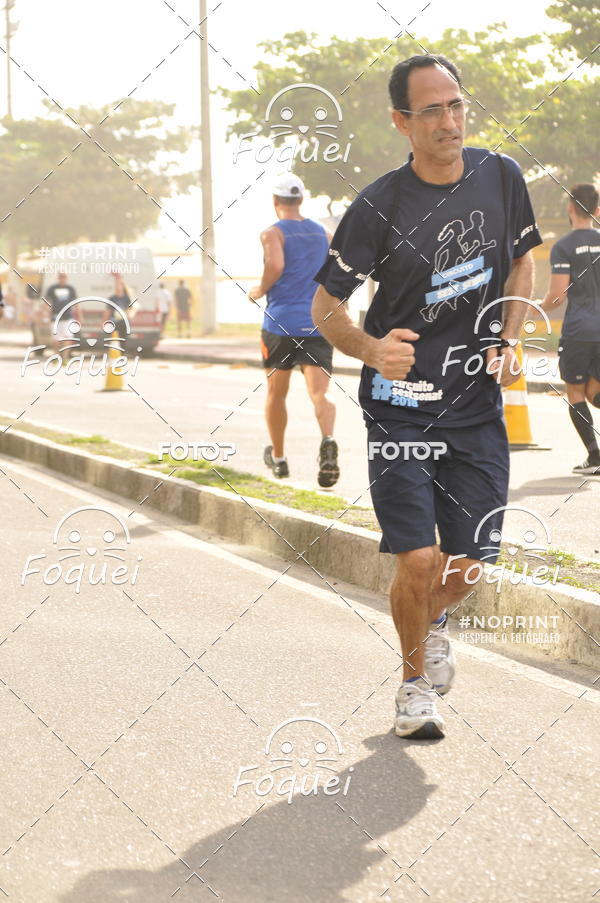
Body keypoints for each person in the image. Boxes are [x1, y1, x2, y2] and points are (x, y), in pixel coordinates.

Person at [313, 54, 542, 739]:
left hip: (474, 405)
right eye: (432, 110)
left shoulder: (500, 176)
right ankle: (414, 687)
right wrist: (372, 349)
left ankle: (434, 618)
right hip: (399, 402)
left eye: (456, 105)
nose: (449, 120)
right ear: (401, 122)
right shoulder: (378, 206)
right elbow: (326, 308)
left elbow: (524, 258)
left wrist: (508, 333)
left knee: (468, 564)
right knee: (417, 557)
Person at [248, 173, 339, 487]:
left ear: (276, 203)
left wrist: (259, 289)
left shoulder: (272, 233)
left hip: (280, 324)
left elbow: (275, 266)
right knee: (320, 394)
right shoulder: (324, 233)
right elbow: (335, 272)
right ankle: (328, 440)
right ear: (301, 200)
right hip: (317, 323)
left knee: (276, 394)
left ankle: (280, 458)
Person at [539, 183, 600, 474]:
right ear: (597, 210)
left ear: (570, 208)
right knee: (594, 393)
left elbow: (557, 296)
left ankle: (595, 455)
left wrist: (535, 306)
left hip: (579, 331)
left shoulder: (563, 247)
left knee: (576, 392)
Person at [45, 272, 78, 362]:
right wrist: (48, 314)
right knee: (56, 339)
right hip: (55, 317)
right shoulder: (52, 288)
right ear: (58, 278)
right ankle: (56, 356)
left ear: (67, 278)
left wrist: (80, 316)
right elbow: (47, 302)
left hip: (68, 316)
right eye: (61, 277)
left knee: (68, 337)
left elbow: (76, 302)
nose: (62, 278)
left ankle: (65, 358)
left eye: (64, 277)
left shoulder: (70, 289)